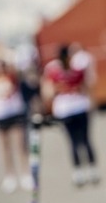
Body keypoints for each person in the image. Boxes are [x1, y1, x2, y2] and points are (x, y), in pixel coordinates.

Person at [41, 44, 99, 187]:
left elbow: (86, 86)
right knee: (74, 141)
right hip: (66, 109)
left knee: (84, 139)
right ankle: (79, 171)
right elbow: (48, 92)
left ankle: (91, 169)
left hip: (78, 107)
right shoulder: (54, 72)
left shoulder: (78, 70)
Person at [0, 59, 31, 193]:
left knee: (20, 144)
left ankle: (25, 173)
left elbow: (17, 71)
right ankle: (10, 175)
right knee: (4, 147)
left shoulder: (11, 77)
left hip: (14, 114)